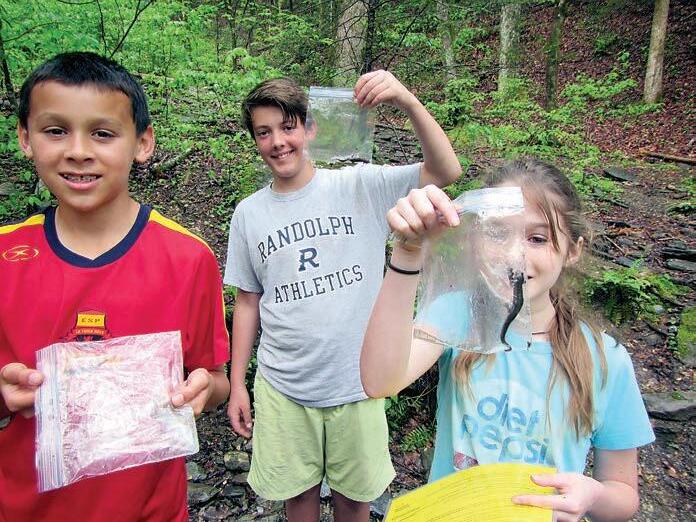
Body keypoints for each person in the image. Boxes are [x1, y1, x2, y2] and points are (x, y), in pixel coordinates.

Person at [0, 51, 230, 521]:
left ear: (142, 142)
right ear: (25, 138)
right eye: (55, 130)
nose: (78, 151)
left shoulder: (189, 259)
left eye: (103, 133)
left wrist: (204, 389)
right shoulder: (6, 258)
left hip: (151, 509)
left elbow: (216, 379)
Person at [360, 159, 655, 522]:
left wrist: (593, 495)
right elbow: (379, 381)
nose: (515, 256)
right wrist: (407, 253)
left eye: (537, 238)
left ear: (573, 250)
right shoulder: (459, 315)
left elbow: (622, 495)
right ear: (476, 239)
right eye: (498, 233)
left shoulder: (605, 360)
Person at [225, 71, 461, 522]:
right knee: (298, 498)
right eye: (264, 132)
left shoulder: (360, 186)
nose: (278, 142)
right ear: (254, 140)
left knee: (354, 500)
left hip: (358, 383)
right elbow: (248, 302)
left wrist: (407, 100)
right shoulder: (249, 215)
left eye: (288, 127)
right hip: (284, 386)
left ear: (310, 128)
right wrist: (238, 384)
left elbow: (446, 171)